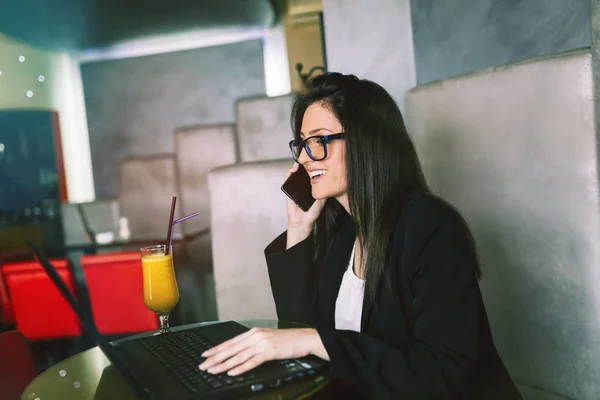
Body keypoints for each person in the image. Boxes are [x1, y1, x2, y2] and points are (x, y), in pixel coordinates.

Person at [199, 73, 521, 399]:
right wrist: (298, 228)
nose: (304, 158)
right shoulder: (342, 231)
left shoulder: (429, 226)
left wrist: (317, 341)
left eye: (319, 140)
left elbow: (443, 376)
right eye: (302, 143)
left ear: (366, 141)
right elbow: (300, 331)